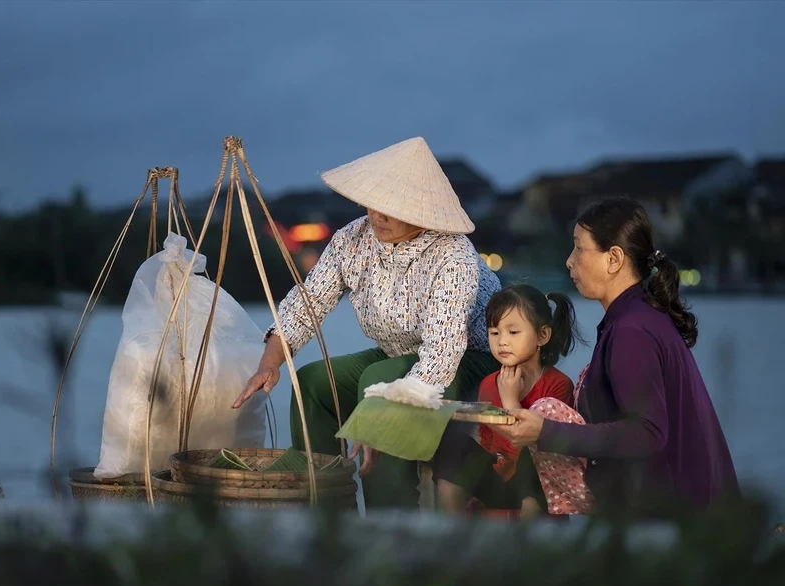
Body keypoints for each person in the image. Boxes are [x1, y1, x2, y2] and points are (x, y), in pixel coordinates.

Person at [231, 136, 502, 509]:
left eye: (392, 209)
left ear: (422, 211)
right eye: (374, 205)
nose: (377, 216)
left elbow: (442, 352)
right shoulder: (352, 239)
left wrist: (379, 419)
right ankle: (327, 512)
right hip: (399, 353)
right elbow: (307, 304)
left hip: (468, 359)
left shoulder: (453, 255)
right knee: (311, 383)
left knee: (376, 382)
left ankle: (389, 521)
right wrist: (269, 363)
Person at [487, 197, 740, 518]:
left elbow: (647, 433)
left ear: (614, 259)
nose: (569, 261)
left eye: (579, 248)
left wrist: (545, 431)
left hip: (670, 517)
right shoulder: (639, 316)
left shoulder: (632, 330)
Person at [430, 284, 589, 520]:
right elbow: (488, 441)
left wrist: (510, 399)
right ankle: (455, 526)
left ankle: (526, 534)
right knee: (452, 441)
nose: (502, 341)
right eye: (494, 333)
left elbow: (545, 449)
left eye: (513, 332)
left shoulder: (557, 385)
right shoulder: (488, 383)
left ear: (542, 335)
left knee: (533, 456)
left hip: (537, 487)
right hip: (501, 476)